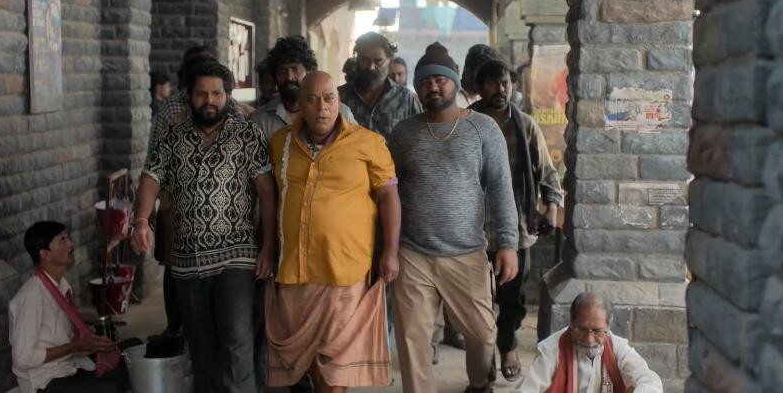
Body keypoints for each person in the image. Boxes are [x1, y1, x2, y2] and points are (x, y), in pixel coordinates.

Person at [132, 60, 277, 392]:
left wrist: (268, 247)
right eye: (201, 94)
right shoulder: (172, 136)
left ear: (227, 96)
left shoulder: (246, 134)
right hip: (187, 261)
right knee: (202, 347)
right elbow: (150, 178)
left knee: (237, 342)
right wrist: (141, 220)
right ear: (189, 96)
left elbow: (267, 192)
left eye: (216, 93)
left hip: (237, 257)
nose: (209, 100)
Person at [389, 42, 519, 393]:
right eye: (425, 81)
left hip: (467, 252)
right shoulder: (403, 133)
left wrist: (508, 244)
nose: (432, 86)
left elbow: (501, 188)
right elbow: (388, 192)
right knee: (413, 342)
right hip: (413, 254)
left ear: (455, 83)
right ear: (417, 87)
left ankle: (479, 384)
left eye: (440, 80)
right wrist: (386, 249)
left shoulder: (483, 129)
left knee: (483, 334)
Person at [264, 71, 401, 392]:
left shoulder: (368, 143)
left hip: (345, 271)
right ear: (299, 105)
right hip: (295, 271)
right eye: (312, 100)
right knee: (307, 363)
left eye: (328, 99)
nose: (321, 108)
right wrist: (267, 250)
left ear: (340, 102)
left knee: (337, 367)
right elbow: (271, 198)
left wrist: (390, 251)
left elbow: (388, 196)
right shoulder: (281, 143)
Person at [469, 60, 563, 382]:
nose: (501, 89)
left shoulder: (525, 126)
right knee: (475, 301)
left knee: (512, 299)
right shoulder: (466, 123)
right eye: (493, 83)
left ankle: (507, 346)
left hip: (516, 230)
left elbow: (547, 173)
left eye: (506, 83)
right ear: (480, 87)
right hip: (472, 230)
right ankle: (481, 366)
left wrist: (551, 209)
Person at [9, 221, 127, 393]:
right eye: (62, 240)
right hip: (44, 382)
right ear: (46, 254)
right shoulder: (32, 296)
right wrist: (76, 346)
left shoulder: (62, 286)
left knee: (128, 353)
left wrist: (90, 341)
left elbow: (64, 336)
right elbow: (23, 358)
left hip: (68, 367)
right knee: (110, 387)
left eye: (68, 238)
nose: (71, 244)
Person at [520, 293, 663, 392]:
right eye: (581, 329)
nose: (589, 339)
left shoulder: (617, 347)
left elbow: (649, 379)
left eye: (597, 331)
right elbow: (528, 389)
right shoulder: (551, 349)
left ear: (608, 326)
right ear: (571, 323)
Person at [250, 36, 355, 141]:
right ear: (275, 75)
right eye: (282, 71)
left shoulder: (341, 114)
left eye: (295, 69)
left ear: (309, 70)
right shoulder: (260, 120)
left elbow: (358, 147)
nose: (289, 77)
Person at [339, 32, 422, 142]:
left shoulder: (407, 99)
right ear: (357, 59)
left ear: (390, 61)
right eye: (365, 60)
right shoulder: (339, 97)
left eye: (378, 61)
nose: (371, 67)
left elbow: (420, 141)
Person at [457, 44, 503, 108]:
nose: (486, 81)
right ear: (468, 72)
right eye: (481, 74)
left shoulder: (489, 98)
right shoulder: (452, 99)